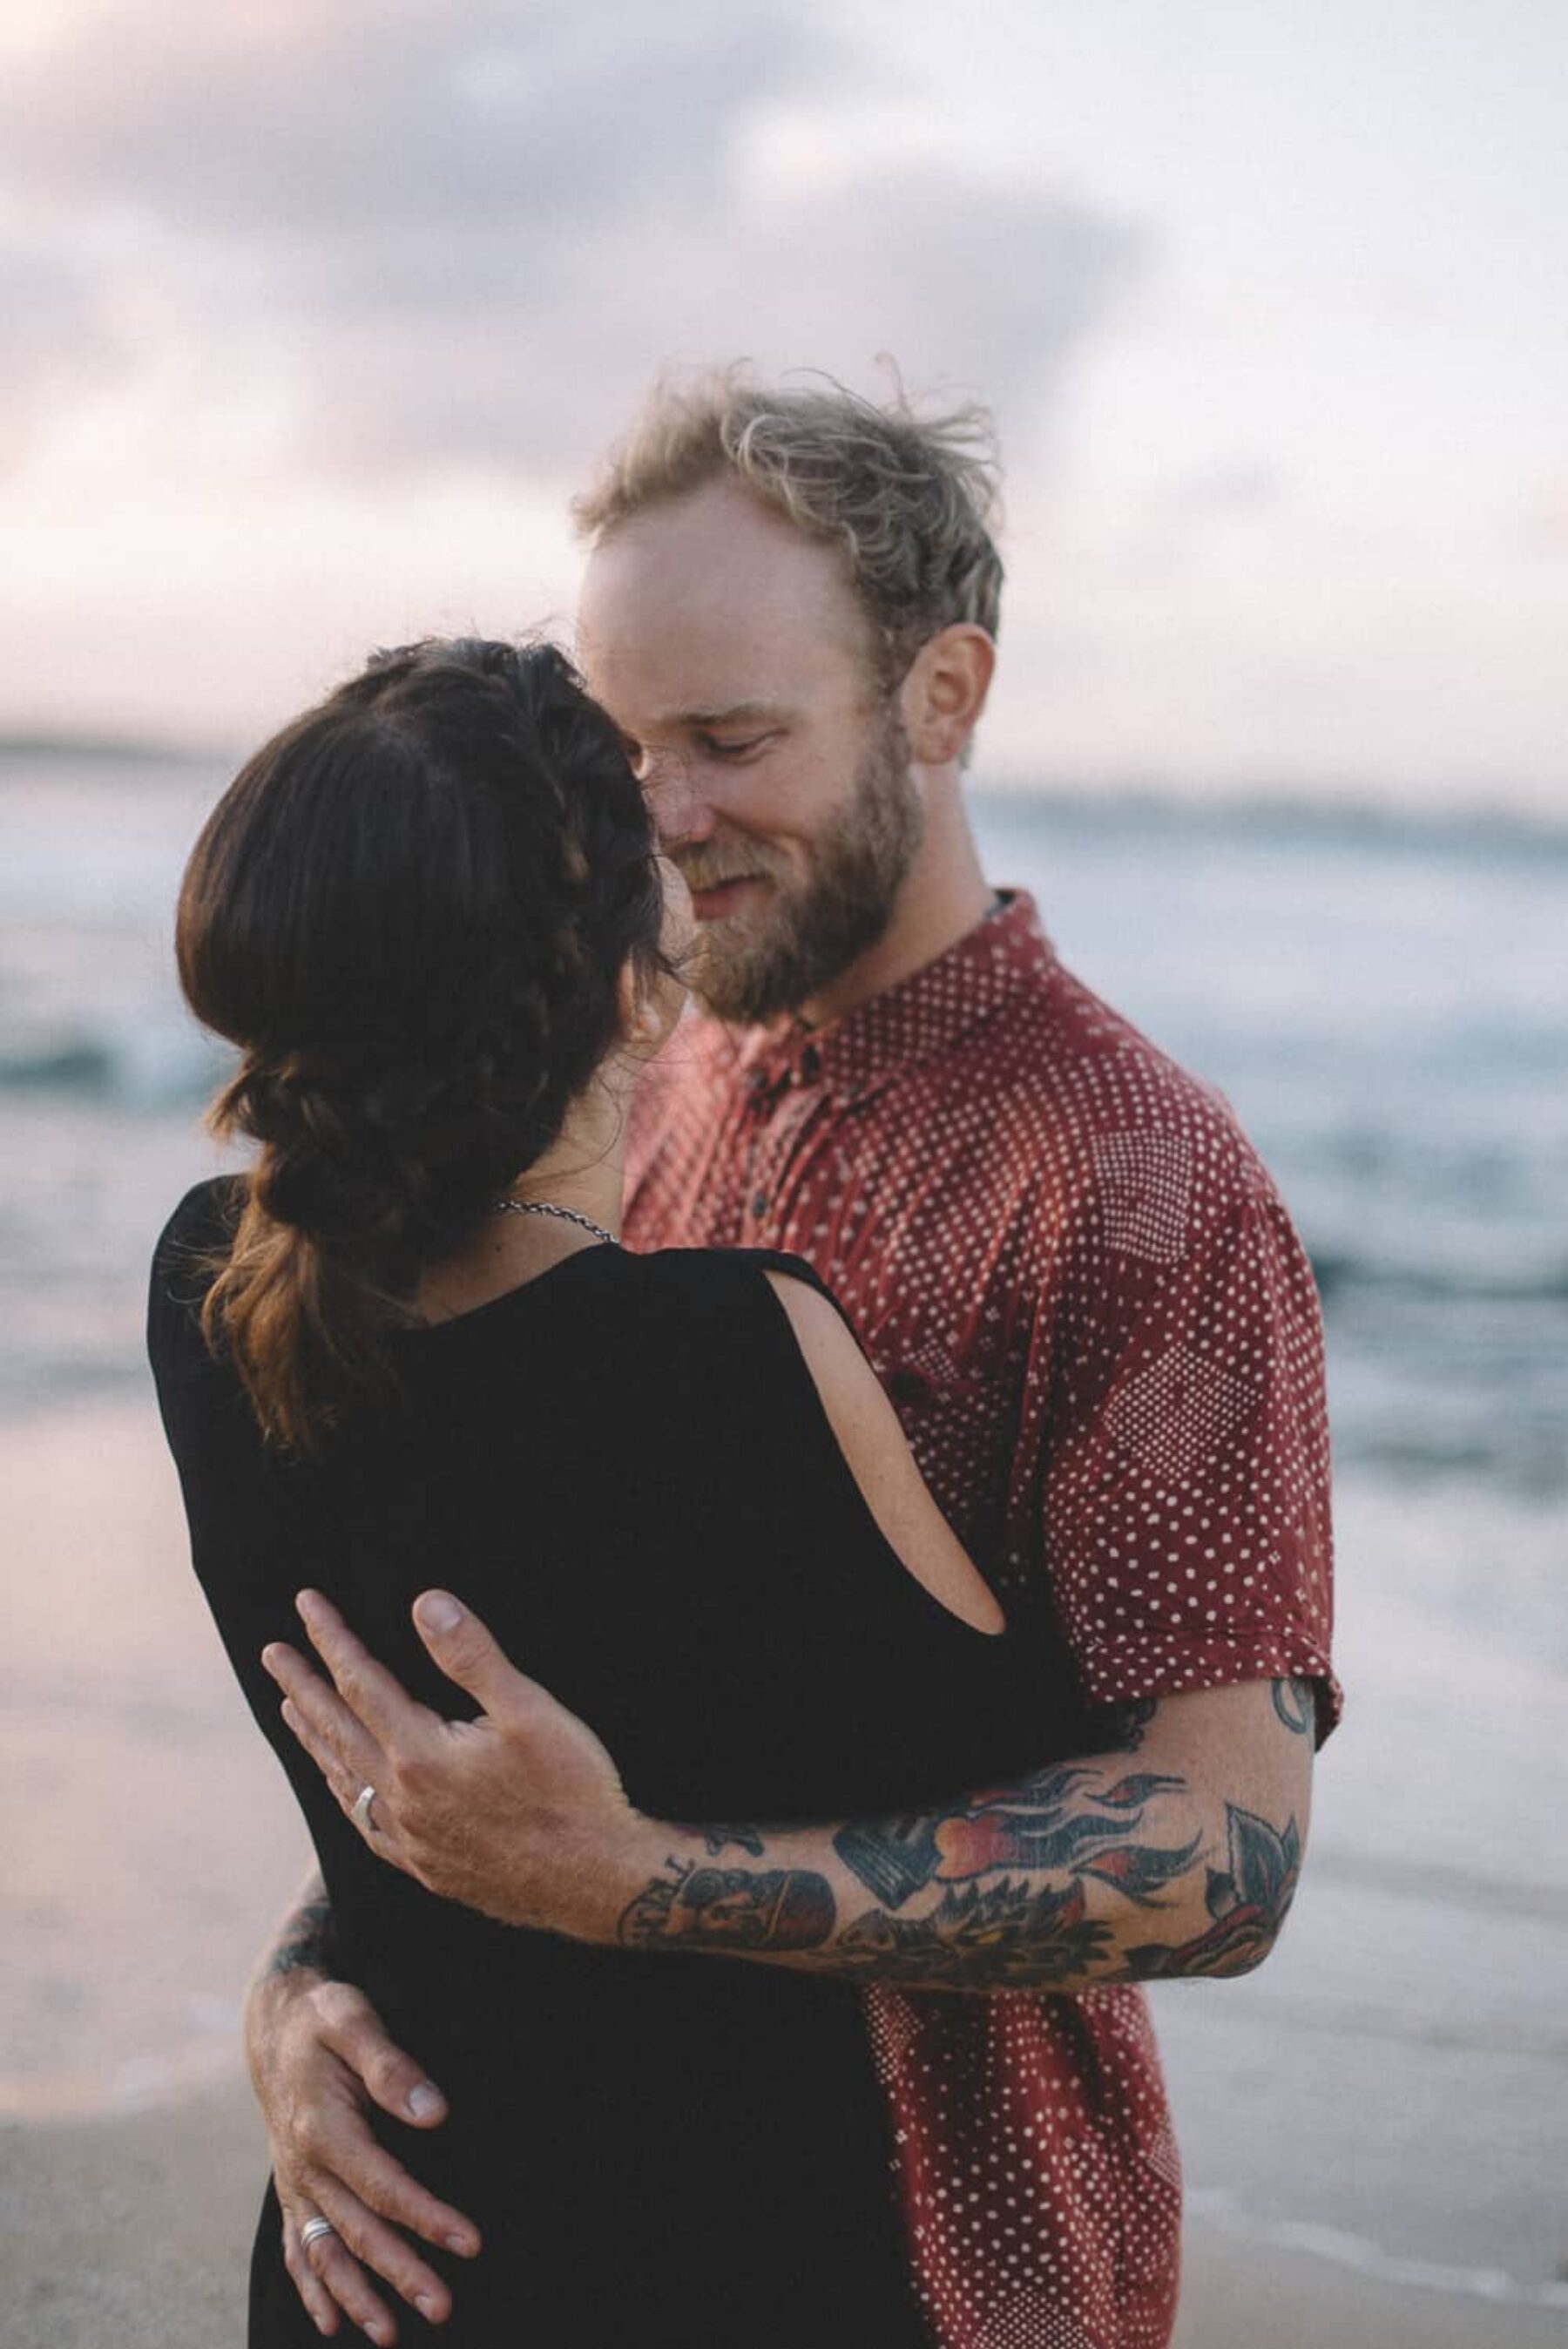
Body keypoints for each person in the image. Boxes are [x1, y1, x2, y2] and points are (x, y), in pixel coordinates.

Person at [247, 380, 1340, 2349]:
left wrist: (636, 1878)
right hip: (561, 2229)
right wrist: (307, 1980)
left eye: (733, 742)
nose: (658, 824)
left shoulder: (1144, 1184)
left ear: (944, 695)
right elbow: (470, 1659)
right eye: (623, 750)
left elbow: (1224, 1850)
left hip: (940, 2264)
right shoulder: (606, 1090)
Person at [149, 635, 1064, 2346]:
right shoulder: (736, 1351)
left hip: (374, 2251)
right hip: (719, 2261)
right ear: (637, 988)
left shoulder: (209, 1293)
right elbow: (1026, 1786)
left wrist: (286, 1992)